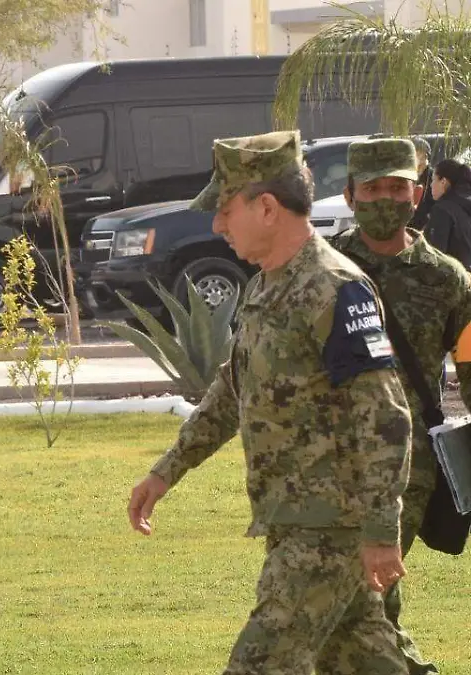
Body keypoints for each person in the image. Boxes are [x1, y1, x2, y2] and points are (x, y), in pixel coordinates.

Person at [127, 130, 414, 674]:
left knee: (261, 665)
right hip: (298, 521)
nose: (217, 225)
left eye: (225, 209)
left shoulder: (333, 287)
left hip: (328, 529)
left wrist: (381, 529)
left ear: (265, 207)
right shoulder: (267, 285)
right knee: (367, 663)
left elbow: (385, 418)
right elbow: (234, 390)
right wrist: (167, 471)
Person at [332, 140, 471, 674]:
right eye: (372, 189)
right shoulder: (320, 268)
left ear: (417, 195)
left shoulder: (447, 279)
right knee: (357, 602)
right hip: (324, 464)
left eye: (397, 188)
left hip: (406, 467)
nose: (386, 200)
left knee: (361, 593)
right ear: (350, 196)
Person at [423, 158, 471, 268]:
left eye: (433, 180)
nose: (430, 185)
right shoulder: (465, 206)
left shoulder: (442, 209)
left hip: (452, 276)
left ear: (443, 181)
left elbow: (434, 258)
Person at [409, 137, 434, 229]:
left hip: (425, 226)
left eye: (416, 152)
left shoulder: (433, 176)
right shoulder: (408, 175)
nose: (412, 156)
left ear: (425, 155)